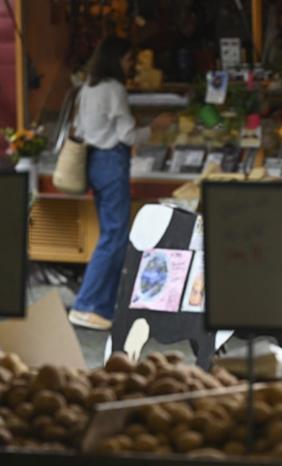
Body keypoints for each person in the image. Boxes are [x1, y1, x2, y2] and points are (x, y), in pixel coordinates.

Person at [68, 36, 172, 330]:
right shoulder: (114, 89)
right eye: (128, 59)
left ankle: (103, 307)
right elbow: (127, 135)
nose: (131, 65)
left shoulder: (88, 88)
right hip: (112, 162)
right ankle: (85, 305)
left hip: (94, 164)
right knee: (114, 237)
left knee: (111, 234)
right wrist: (153, 128)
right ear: (117, 60)